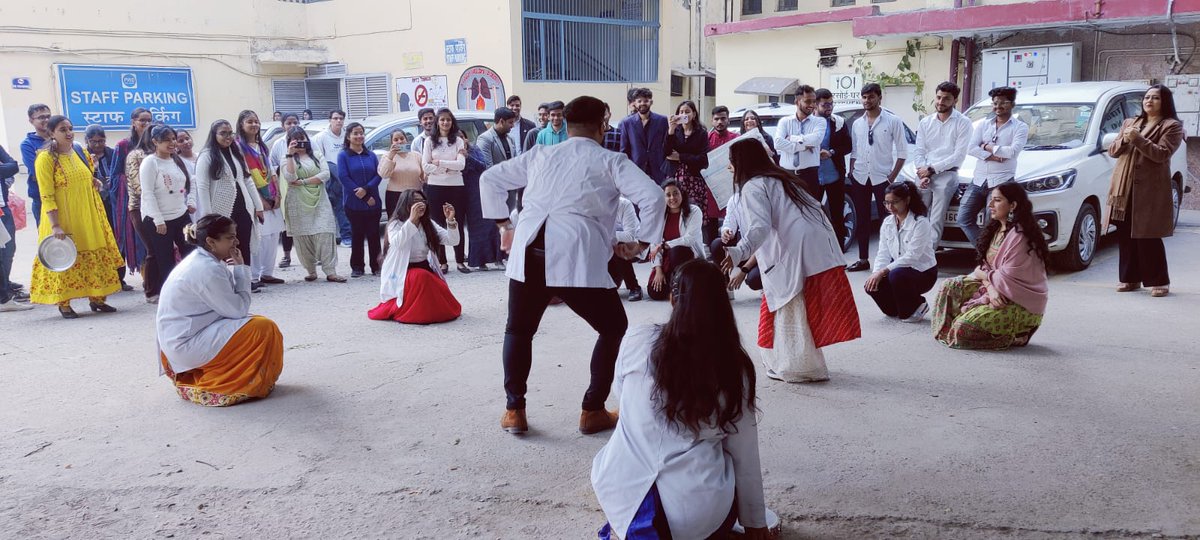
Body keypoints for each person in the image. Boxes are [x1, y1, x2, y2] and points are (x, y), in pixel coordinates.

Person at [480, 95, 666, 436]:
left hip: (529, 250)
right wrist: (640, 244)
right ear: (603, 124)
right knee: (612, 328)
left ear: (565, 122)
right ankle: (592, 409)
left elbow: (489, 179)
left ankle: (514, 410)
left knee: (518, 331)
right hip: (575, 255)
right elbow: (653, 197)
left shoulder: (540, 153)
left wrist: (504, 226)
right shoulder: (611, 160)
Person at [591, 260, 771, 540]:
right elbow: (743, 453)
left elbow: (621, 395)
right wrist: (755, 522)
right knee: (724, 458)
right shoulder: (734, 369)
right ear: (722, 305)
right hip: (696, 514)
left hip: (620, 494)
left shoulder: (636, 340)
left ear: (673, 298)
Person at [720, 139, 860, 383]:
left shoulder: (754, 185)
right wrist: (744, 263)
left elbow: (759, 228)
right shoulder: (780, 178)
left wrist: (737, 252)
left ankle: (800, 367)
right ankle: (790, 362)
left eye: (731, 161)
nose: (729, 167)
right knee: (787, 301)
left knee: (788, 302)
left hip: (794, 249)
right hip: (814, 243)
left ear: (741, 162)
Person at [156, 214, 284, 407]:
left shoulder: (204, 260)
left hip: (184, 338)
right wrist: (241, 269)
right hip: (186, 345)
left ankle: (230, 374)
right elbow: (238, 310)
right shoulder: (206, 269)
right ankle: (228, 382)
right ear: (210, 241)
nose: (237, 241)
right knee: (263, 328)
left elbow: (232, 308)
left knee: (255, 323)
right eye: (230, 237)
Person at [933, 183, 1048, 349]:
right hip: (995, 290)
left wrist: (987, 282)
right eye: (991, 200)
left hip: (1018, 301)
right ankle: (952, 329)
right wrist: (990, 288)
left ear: (1012, 206)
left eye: (997, 200)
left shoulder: (1020, 237)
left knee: (963, 329)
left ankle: (1019, 334)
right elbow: (984, 270)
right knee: (949, 286)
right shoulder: (995, 230)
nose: (990, 205)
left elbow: (1006, 279)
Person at [29, 116, 123, 318]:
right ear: (52, 133)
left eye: (70, 128)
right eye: (63, 129)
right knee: (65, 256)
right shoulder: (45, 158)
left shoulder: (80, 152)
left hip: (88, 215)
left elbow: (86, 177)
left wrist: (94, 182)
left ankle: (97, 299)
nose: (69, 133)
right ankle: (64, 304)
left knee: (92, 250)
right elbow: (46, 194)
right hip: (63, 217)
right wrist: (55, 226)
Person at [1106, 84, 1184, 298]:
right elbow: (1113, 151)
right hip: (1124, 186)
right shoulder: (1130, 122)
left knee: (1147, 235)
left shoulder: (1171, 126)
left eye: (1155, 98)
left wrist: (1138, 139)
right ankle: (1130, 278)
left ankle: (1159, 281)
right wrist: (1124, 138)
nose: (1149, 101)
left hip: (1150, 189)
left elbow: (1161, 154)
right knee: (1125, 233)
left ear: (1164, 102)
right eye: (1147, 97)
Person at [370, 189, 462, 324]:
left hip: (424, 266)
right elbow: (397, 243)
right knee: (421, 277)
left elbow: (452, 241)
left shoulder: (428, 223)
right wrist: (412, 220)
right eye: (415, 202)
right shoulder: (395, 224)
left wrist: (451, 221)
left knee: (436, 285)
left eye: (422, 201)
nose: (420, 205)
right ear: (405, 204)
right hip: (403, 270)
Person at [195, 119, 265, 291]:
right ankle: (221, 283)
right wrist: (208, 216)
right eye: (223, 133)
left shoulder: (236, 152)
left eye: (230, 133)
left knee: (243, 243)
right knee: (220, 247)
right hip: (221, 209)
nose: (228, 137)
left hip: (243, 207)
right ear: (214, 135)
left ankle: (246, 281)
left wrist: (258, 206)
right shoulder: (207, 156)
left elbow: (247, 180)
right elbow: (202, 187)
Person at [847, 83, 908, 272]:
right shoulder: (858, 123)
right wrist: (851, 171)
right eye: (864, 97)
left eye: (871, 97)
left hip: (883, 178)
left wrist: (892, 177)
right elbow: (855, 150)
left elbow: (902, 151)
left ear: (879, 98)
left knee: (888, 219)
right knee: (863, 219)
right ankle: (863, 259)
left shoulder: (892, 121)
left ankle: (890, 261)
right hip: (860, 176)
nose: (867, 100)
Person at [959, 86, 1028, 246]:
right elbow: (970, 147)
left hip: (1002, 181)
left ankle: (994, 258)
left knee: (994, 223)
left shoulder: (1020, 127)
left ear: (1012, 104)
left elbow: (1012, 152)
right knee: (963, 218)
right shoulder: (984, 124)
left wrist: (986, 146)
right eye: (995, 103)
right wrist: (992, 156)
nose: (998, 107)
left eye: (1003, 103)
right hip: (978, 180)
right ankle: (986, 252)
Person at [139, 125, 197, 301]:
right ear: (155, 141)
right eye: (167, 140)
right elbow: (147, 193)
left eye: (173, 139)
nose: (172, 143)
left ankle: (192, 289)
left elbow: (191, 181)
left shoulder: (176, 159)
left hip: (181, 216)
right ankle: (170, 296)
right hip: (158, 219)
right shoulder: (150, 162)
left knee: (191, 250)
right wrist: (158, 220)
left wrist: (191, 201)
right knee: (165, 259)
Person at [864, 181, 937, 322]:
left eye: (895, 202)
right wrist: (875, 274)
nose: (890, 207)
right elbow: (883, 252)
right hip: (899, 272)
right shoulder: (888, 222)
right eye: (886, 203)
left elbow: (912, 256)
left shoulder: (920, 223)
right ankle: (903, 304)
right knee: (872, 287)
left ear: (907, 200)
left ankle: (919, 303)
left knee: (896, 277)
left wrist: (882, 272)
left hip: (923, 272)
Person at [280, 126, 345, 283]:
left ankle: (331, 271)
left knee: (325, 232)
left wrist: (303, 182)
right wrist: (290, 154)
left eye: (303, 139)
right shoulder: (286, 158)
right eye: (297, 140)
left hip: (320, 199)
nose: (301, 142)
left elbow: (325, 174)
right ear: (290, 142)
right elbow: (290, 177)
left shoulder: (316, 155)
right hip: (297, 202)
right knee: (303, 236)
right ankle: (311, 270)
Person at [912, 81, 972, 250]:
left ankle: (928, 257)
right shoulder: (926, 122)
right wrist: (922, 172)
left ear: (955, 101)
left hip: (947, 174)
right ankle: (914, 251)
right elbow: (919, 151)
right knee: (918, 216)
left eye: (946, 99)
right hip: (924, 173)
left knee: (936, 218)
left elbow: (958, 156)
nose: (941, 102)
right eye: (939, 97)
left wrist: (931, 170)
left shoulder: (963, 122)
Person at [236, 110, 285, 288]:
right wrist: (260, 200)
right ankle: (254, 276)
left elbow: (271, 171)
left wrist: (277, 194)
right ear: (241, 125)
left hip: (271, 194)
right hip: (255, 197)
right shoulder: (239, 147)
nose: (254, 125)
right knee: (259, 237)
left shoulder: (262, 146)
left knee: (273, 235)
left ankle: (267, 273)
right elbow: (246, 177)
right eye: (250, 122)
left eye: (256, 121)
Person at [420, 109, 470, 273]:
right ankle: (442, 261)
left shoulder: (458, 141)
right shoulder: (429, 141)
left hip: (456, 186)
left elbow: (461, 165)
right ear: (437, 122)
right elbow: (425, 166)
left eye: (448, 120)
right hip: (435, 187)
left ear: (452, 122)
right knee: (438, 224)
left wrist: (440, 162)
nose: (445, 123)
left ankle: (460, 260)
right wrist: (448, 167)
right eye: (442, 120)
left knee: (456, 222)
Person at [84, 125, 131, 292]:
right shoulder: (82, 156)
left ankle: (119, 278)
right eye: (94, 141)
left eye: (101, 141)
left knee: (117, 239)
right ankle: (101, 280)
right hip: (94, 204)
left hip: (114, 204)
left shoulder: (113, 153)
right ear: (87, 141)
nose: (98, 145)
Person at [108, 108, 153, 280]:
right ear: (133, 122)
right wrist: (135, 182)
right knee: (139, 239)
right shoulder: (123, 146)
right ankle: (146, 278)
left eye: (149, 120)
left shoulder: (154, 143)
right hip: (132, 200)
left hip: (154, 199)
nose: (146, 124)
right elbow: (115, 176)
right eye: (142, 120)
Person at [665, 100, 717, 245]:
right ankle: (675, 242)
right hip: (676, 177)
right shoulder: (674, 131)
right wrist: (670, 130)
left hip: (694, 179)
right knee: (675, 210)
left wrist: (680, 157)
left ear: (694, 114)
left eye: (687, 111)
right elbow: (666, 152)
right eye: (681, 112)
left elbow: (704, 159)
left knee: (693, 212)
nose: (684, 115)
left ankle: (694, 243)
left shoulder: (701, 133)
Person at [337, 121, 383, 277]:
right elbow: (344, 177)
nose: (359, 136)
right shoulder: (343, 155)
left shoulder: (371, 155)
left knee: (374, 235)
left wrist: (367, 191)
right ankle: (357, 266)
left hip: (373, 202)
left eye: (361, 133)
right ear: (349, 136)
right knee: (357, 235)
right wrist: (362, 195)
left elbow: (378, 175)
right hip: (353, 203)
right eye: (355, 133)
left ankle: (376, 266)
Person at [648, 182, 703, 301]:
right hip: (666, 261)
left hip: (686, 257)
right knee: (655, 293)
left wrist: (664, 245)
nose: (672, 198)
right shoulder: (659, 215)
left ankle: (682, 284)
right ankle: (675, 284)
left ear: (682, 194)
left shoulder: (694, 211)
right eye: (668, 195)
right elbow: (654, 244)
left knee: (676, 251)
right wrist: (658, 269)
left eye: (675, 193)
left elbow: (689, 239)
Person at [814, 88, 852, 248]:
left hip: (834, 175)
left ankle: (839, 252)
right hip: (813, 176)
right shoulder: (808, 123)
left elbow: (848, 146)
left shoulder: (838, 122)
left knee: (837, 214)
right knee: (812, 215)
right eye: (825, 105)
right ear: (816, 105)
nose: (829, 108)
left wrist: (831, 152)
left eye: (831, 104)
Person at [461, 130, 502, 271]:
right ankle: (480, 261)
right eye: (457, 138)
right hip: (462, 191)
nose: (461, 140)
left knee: (490, 223)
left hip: (478, 189)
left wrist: (468, 157)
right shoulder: (451, 151)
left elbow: (482, 166)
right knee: (474, 227)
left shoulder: (474, 149)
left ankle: (498, 259)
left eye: (462, 137)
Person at [773, 85, 826, 195]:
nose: (812, 105)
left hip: (809, 175)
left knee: (810, 211)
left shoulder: (819, 122)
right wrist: (803, 146)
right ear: (797, 102)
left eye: (814, 101)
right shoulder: (785, 121)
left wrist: (792, 138)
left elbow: (816, 140)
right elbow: (777, 143)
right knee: (788, 211)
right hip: (787, 174)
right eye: (807, 101)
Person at [0, 144, 33, 311]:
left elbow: (13, 166)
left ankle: (5, 289)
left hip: (2, 207)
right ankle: (3, 298)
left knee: (8, 250)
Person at [314, 109, 351, 246]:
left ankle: (346, 236)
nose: (338, 121)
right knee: (329, 209)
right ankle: (332, 238)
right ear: (330, 120)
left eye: (341, 118)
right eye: (335, 118)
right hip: (329, 176)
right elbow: (319, 159)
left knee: (343, 207)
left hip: (345, 177)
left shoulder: (347, 136)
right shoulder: (321, 137)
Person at [269, 113, 301, 269]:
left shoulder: (307, 141)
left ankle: (311, 255)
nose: (292, 125)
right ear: (283, 125)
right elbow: (273, 166)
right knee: (286, 222)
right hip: (285, 186)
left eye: (295, 122)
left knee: (305, 222)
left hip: (304, 186)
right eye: (288, 123)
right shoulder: (278, 144)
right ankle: (287, 255)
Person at [620, 88, 670, 184]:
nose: (643, 103)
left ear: (651, 102)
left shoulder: (662, 120)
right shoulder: (627, 123)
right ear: (634, 103)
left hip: (658, 170)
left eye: (646, 101)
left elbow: (666, 145)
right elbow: (624, 150)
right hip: (636, 170)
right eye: (639, 101)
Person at [378, 130, 425, 219]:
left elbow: (424, 176)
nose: (399, 141)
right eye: (396, 139)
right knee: (396, 224)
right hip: (395, 196)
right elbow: (384, 175)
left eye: (402, 138)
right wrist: (391, 157)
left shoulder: (417, 156)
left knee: (417, 222)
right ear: (392, 142)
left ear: (406, 140)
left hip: (415, 195)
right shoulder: (387, 156)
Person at [21, 104, 52, 227]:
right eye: (41, 117)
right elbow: (37, 171)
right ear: (31, 121)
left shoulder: (60, 137)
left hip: (66, 194)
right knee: (49, 239)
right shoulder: (27, 144)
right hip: (42, 198)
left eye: (48, 116)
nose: (46, 120)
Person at [608, 197, 643, 301]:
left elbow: (629, 236)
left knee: (619, 244)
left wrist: (604, 235)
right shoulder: (596, 206)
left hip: (634, 247)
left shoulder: (624, 204)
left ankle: (634, 287)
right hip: (609, 249)